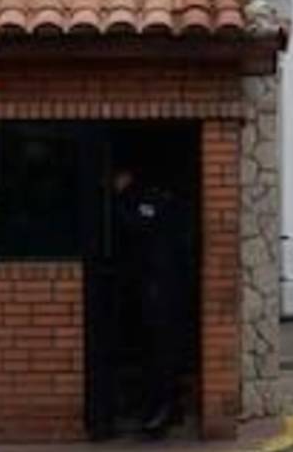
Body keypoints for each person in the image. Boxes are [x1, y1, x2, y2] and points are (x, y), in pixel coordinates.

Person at [111, 166, 186, 438]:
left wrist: (117, 202)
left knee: (159, 351)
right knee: (147, 350)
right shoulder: (141, 199)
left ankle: (162, 410)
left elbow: (137, 226)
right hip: (146, 286)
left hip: (160, 287)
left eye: (117, 176)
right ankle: (159, 407)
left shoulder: (148, 200)